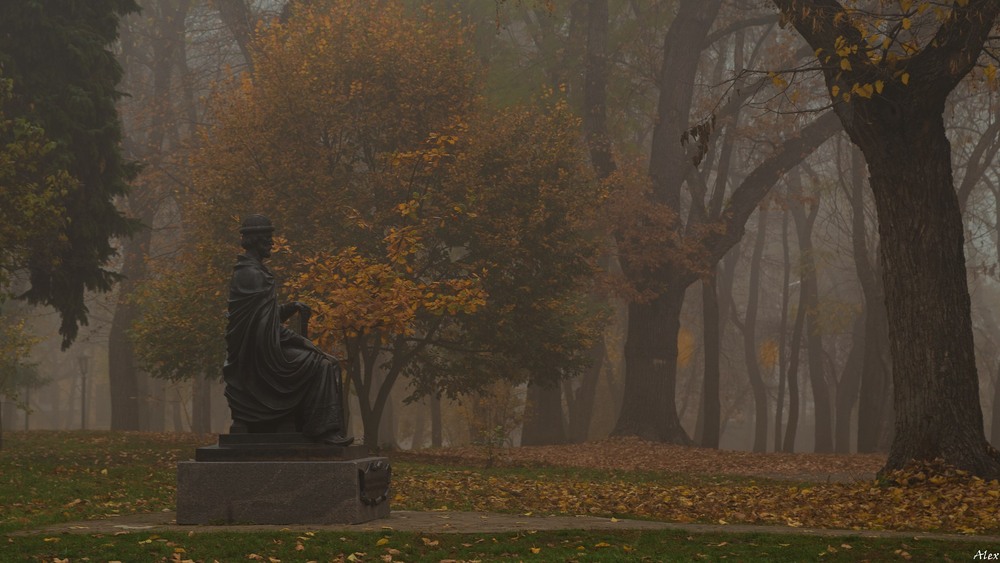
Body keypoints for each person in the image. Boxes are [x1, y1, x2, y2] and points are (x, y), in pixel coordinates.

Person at [223, 214, 353, 446]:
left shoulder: (254, 271)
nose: (271, 243)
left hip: (264, 346)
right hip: (260, 354)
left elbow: (263, 317)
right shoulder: (252, 275)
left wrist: (290, 308)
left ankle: (320, 427)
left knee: (325, 362)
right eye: (267, 238)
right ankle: (321, 430)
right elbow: (264, 328)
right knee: (322, 364)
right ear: (254, 240)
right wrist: (302, 342)